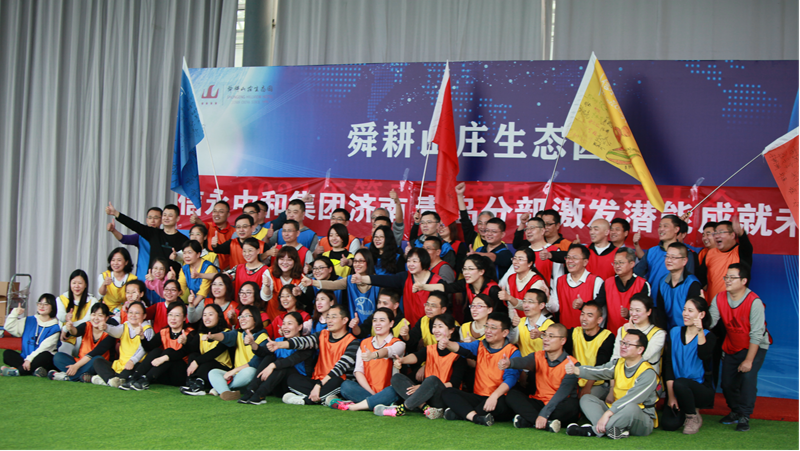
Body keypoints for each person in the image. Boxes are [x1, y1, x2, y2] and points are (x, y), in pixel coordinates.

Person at [709, 263, 770, 432]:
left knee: (747, 378)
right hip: (732, 345)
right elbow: (710, 323)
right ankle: (735, 410)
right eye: (726, 277)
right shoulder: (719, 298)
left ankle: (744, 415)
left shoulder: (754, 302)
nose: (727, 280)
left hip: (755, 346)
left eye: (732, 277)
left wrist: (749, 361)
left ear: (744, 281)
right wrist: (699, 315)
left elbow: (757, 335)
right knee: (727, 384)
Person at [565, 329, 659, 439]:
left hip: (640, 418)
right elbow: (600, 371)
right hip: (616, 411)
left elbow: (631, 399)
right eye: (622, 342)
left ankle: (594, 430)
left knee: (631, 407)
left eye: (628, 344)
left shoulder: (647, 373)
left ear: (640, 350)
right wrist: (577, 370)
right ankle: (612, 429)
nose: (623, 346)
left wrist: (608, 413)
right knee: (586, 398)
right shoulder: (618, 363)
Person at [440, 312, 522, 426]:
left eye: (493, 328)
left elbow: (511, 379)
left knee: (502, 403)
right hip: (479, 396)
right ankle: (476, 417)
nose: (488, 331)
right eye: (486, 326)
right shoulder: (479, 345)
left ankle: (462, 413)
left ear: (505, 332)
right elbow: (460, 347)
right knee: (447, 392)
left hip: (499, 398)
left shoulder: (513, 351)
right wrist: (447, 343)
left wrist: (494, 396)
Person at [501, 323, 581, 433]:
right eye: (545, 335)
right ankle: (544, 424)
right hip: (539, 402)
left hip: (559, 404)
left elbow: (561, 394)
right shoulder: (538, 356)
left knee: (571, 407)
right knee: (512, 395)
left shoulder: (572, 364)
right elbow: (524, 361)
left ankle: (530, 420)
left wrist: (544, 414)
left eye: (551, 336)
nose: (546, 339)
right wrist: (510, 363)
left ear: (563, 341)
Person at [384, 314, 467, 419]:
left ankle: (402, 408)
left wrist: (424, 387)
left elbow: (454, 384)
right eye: (434, 326)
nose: (436, 330)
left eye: (440, 326)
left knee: (432, 380)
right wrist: (402, 360)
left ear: (451, 330)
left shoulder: (458, 353)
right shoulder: (430, 348)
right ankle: (425, 408)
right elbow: (416, 357)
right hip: (426, 396)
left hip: (443, 396)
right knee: (397, 378)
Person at [278, 304, 360, 405]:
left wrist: (319, 385)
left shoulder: (353, 342)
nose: (329, 320)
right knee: (293, 379)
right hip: (317, 381)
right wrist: (278, 345)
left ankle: (305, 400)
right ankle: (324, 399)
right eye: (328, 317)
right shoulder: (322, 334)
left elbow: (339, 368)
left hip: (335, 381)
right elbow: (303, 341)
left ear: (344, 320)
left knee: (338, 382)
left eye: (333, 317)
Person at [327, 308, 405, 412]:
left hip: (388, 390)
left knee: (393, 391)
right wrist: (373, 395)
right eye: (375, 320)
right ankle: (378, 404)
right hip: (367, 390)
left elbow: (388, 351)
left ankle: (353, 406)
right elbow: (358, 371)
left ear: (391, 323)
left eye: (382, 320)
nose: (377, 323)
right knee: (346, 385)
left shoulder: (398, 343)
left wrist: (374, 355)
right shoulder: (364, 343)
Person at [661, 297, 717, 434]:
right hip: (676, 388)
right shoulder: (674, 332)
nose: (685, 313)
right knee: (669, 424)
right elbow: (668, 364)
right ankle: (686, 408)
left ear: (701, 314)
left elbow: (704, 355)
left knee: (681, 383)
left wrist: (700, 331)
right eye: (684, 309)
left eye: (690, 310)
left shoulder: (709, 336)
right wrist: (671, 397)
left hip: (700, 389)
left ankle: (692, 416)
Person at [352, 248, 443, 327]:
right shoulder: (404, 277)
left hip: (431, 327)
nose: (410, 264)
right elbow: (385, 280)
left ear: (424, 261)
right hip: (409, 328)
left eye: (414, 261)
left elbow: (444, 293)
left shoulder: (436, 280)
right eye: (408, 261)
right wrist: (362, 279)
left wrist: (423, 287)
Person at [238, 312, 315, 404]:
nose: (285, 327)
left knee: (281, 362)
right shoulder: (278, 341)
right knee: (269, 358)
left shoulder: (306, 345)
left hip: (295, 384)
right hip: (278, 385)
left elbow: (291, 360)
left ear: (300, 327)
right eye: (284, 324)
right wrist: (252, 343)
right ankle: (251, 390)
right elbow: (262, 352)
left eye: (289, 323)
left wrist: (273, 366)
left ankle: (260, 394)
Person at [206, 305, 270, 400]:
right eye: (241, 316)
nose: (242, 319)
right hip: (236, 376)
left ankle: (221, 387)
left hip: (251, 379)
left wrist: (233, 371)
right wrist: (212, 337)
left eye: (246, 316)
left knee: (250, 371)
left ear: (255, 319)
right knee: (213, 372)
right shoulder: (239, 333)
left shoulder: (263, 337)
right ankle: (226, 392)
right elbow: (225, 336)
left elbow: (255, 363)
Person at [127, 302, 193, 390]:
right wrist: (142, 336)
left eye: (177, 315)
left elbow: (183, 352)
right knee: (157, 351)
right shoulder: (164, 331)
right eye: (170, 315)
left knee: (169, 352)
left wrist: (164, 358)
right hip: (164, 372)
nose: (173, 318)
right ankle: (134, 377)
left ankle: (145, 380)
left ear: (184, 317)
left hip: (180, 373)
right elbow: (149, 347)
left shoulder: (190, 333)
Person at [416, 255, 502, 319]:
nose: (466, 272)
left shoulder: (493, 289)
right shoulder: (466, 283)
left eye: (470, 269)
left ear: (481, 271)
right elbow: (446, 287)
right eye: (464, 269)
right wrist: (422, 286)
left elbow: (499, 315)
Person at [107, 202, 187, 270]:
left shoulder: (183, 239)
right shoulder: (153, 233)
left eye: (170, 215)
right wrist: (116, 213)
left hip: (172, 280)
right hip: (153, 279)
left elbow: (189, 258)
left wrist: (178, 256)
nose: (166, 218)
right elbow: (134, 225)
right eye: (164, 215)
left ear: (177, 218)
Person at [92, 301, 153, 388]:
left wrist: (132, 361)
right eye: (130, 312)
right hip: (120, 364)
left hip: (135, 364)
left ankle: (107, 379)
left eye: (137, 313)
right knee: (98, 361)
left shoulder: (147, 329)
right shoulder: (125, 325)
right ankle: (112, 380)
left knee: (130, 371)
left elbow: (143, 350)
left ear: (144, 316)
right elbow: (116, 331)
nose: (133, 315)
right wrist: (106, 327)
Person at [50, 303, 117, 382]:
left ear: (106, 318)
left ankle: (67, 377)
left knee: (97, 359)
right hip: (80, 361)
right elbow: (76, 332)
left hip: (96, 364)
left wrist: (76, 366)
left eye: (100, 315)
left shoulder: (111, 332)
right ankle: (83, 376)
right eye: (93, 314)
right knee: (58, 357)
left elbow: (95, 352)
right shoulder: (87, 325)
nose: (96, 318)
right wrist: (70, 328)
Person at [633, 215, 692, 301]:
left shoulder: (686, 253)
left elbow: (689, 281)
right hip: (653, 302)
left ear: (676, 229)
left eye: (665, 226)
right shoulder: (652, 252)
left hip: (676, 303)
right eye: (660, 226)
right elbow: (636, 274)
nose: (661, 229)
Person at [595, 248, 651, 335]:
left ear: (632, 264)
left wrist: (629, 315)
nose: (617, 266)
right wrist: (582, 305)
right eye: (615, 263)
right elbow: (597, 305)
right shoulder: (608, 283)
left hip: (635, 336)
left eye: (621, 262)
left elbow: (646, 312)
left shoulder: (642, 284)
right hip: (611, 334)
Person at [1, 294, 60, 377]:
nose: (41, 306)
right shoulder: (29, 320)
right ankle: (35, 370)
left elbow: (44, 348)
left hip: (41, 358)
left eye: (46, 304)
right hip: (25, 358)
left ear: (53, 307)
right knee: (7, 354)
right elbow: (8, 327)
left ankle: (18, 372)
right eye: (40, 303)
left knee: (45, 355)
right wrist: (15, 313)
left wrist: (29, 359)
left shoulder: (55, 328)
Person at [565, 302, 615, 399]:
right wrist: (541, 334)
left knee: (584, 399)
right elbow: (559, 335)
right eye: (582, 314)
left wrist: (588, 386)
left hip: (597, 383)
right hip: (576, 380)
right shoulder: (575, 332)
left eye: (589, 315)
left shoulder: (607, 336)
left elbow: (601, 364)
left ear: (599, 320)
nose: (584, 318)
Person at [181, 303, 232, 396]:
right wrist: (185, 342)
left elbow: (215, 352)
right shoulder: (201, 334)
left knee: (206, 362)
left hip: (223, 368)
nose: (207, 318)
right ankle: (193, 382)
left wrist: (197, 362)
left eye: (210, 314)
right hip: (206, 366)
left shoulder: (226, 333)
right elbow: (191, 349)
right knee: (193, 356)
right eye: (204, 315)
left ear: (219, 316)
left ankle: (199, 386)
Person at [548, 244, 604, 329]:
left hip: (587, 333)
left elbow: (601, 312)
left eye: (575, 258)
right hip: (565, 333)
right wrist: (547, 297)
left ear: (585, 262)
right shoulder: (559, 281)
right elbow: (555, 308)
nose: (570, 261)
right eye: (568, 257)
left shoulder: (596, 281)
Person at [106, 206, 162, 280]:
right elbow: (124, 239)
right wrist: (113, 231)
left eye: (156, 218)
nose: (152, 220)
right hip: (142, 277)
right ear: (146, 220)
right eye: (150, 217)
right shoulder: (140, 236)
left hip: (160, 279)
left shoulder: (165, 237)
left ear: (162, 220)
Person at [657, 242, 702, 329]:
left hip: (687, 331)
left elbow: (693, 315)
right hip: (668, 331)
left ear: (684, 261)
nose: (669, 260)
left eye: (673, 257)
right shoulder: (662, 282)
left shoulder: (692, 284)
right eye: (667, 256)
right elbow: (661, 312)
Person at [55, 270, 98, 355]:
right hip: (66, 337)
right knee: (61, 356)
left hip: (85, 338)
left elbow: (87, 320)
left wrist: (66, 328)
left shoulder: (93, 301)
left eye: (80, 283)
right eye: (74, 283)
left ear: (85, 285)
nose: (76, 286)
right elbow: (60, 315)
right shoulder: (61, 299)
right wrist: (66, 316)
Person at [260, 246, 308, 320]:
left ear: (295, 261)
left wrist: (299, 294)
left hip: (294, 319)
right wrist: (267, 286)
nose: (285, 262)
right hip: (273, 317)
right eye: (282, 259)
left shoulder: (302, 277)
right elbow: (265, 298)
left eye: (289, 259)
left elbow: (303, 303)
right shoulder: (269, 272)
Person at [498, 248, 548, 316]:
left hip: (537, 319)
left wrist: (509, 298)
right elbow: (511, 307)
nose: (515, 262)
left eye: (520, 259)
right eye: (514, 258)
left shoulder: (536, 281)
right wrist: (513, 320)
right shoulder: (511, 278)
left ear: (530, 263)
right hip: (521, 320)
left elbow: (530, 306)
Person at [510, 216, 558, 285]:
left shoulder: (554, 251)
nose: (528, 231)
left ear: (542, 231)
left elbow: (558, 278)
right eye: (527, 229)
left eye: (532, 228)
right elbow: (509, 276)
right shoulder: (523, 252)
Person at [507, 288, 554, 356]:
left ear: (541, 305)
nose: (526, 305)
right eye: (524, 301)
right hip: (524, 362)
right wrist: (513, 326)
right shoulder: (520, 321)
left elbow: (553, 347)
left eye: (530, 302)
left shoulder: (550, 325)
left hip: (542, 361)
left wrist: (541, 335)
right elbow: (512, 341)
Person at [190, 200, 234, 270]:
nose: (216, 214)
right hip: (207, 270)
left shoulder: (234, 232)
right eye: (214, 211)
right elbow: (201, 224)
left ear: (228, 214)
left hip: (227, 271)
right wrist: (196, 220)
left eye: (221, 212)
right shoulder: (208, 226)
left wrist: (225, 271)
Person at [405, 291, 451, 356]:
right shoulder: (423, 320)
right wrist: (406, 335)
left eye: (433, 306)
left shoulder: (451, 325)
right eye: (427, 304)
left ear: (443, 309)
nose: (428, 308)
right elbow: (413, 340)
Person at [455, 182, 494, 250]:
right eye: (480, 223)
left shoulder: (500, 244)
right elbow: (465, 219)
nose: (482, 227)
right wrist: (460, 195)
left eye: (486, 223)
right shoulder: (472, 237)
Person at [97, 247, 137, 312]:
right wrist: (104, 284)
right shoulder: (104, 276)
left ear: (126, 262)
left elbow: (134, 298)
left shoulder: (133, 279)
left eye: (119, 260)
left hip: (125, 311)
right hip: (106, 311)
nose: (115, 263)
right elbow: (101, 294)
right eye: (113, 260)